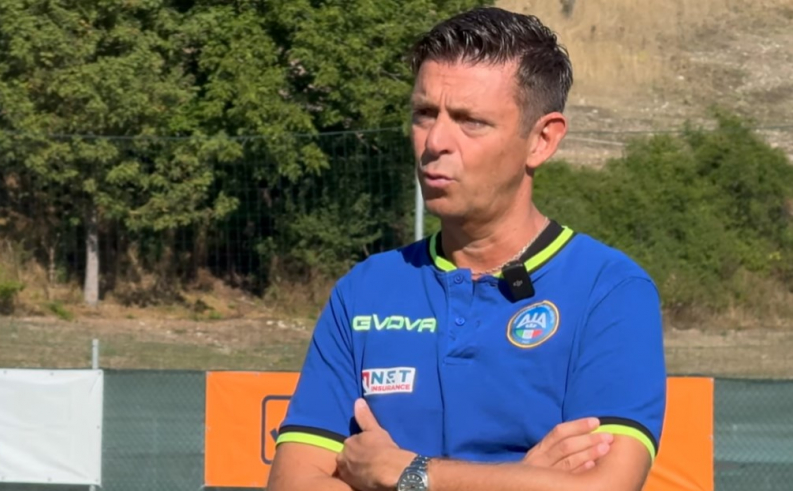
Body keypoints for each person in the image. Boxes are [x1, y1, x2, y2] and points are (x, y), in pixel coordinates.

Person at [267, 6, 667, 491]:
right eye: (424, 114)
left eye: (470, 121)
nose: (435, 141)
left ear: (542, 140)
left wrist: (409, 474)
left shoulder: (610, 291)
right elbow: (292, 482)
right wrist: (519, 480)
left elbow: (603, 487)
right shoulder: (365, 290)